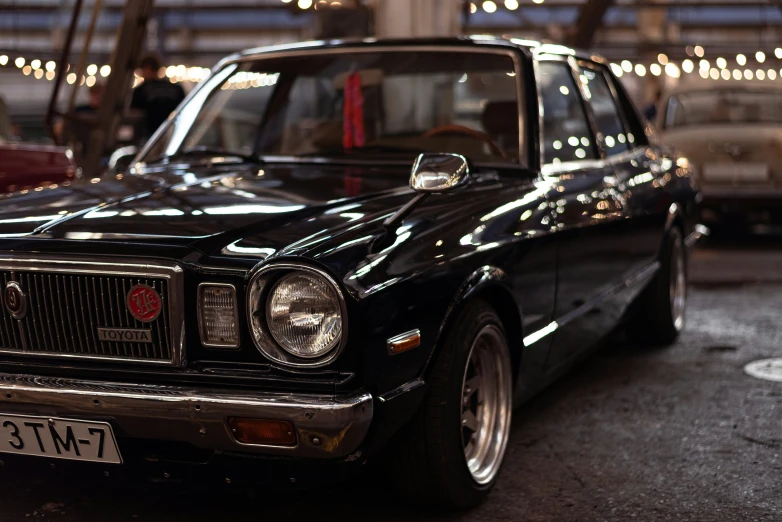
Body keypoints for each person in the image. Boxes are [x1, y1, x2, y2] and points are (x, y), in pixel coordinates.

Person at [130, 54, 185, 140]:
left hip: (149, 136)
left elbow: (135, 114)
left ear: (147, 68)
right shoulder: (175, 88)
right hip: (173, 133)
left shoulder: (141, 90)